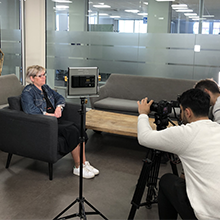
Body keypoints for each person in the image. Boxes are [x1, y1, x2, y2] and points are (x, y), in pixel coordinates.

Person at [137, 88, 220, 220]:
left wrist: (143, 114)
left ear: (187, 112)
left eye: (181, 111)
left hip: (208, 216)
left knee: (166, 180)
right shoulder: (217, 128)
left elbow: (144, 137)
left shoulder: (185, 133)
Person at [21, 65, 99, 179]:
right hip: (45, 123)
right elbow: (31, 111)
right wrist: (50, 115)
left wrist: (58, 108)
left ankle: (83, 163)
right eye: (40, 76)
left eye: (44, 75)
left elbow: (60, 98)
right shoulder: (27, 92)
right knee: (72, 131)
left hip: (55, 119)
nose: (44, 78)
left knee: (79, 128)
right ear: (32, 78)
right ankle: (77, 167)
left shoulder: (45, 88)